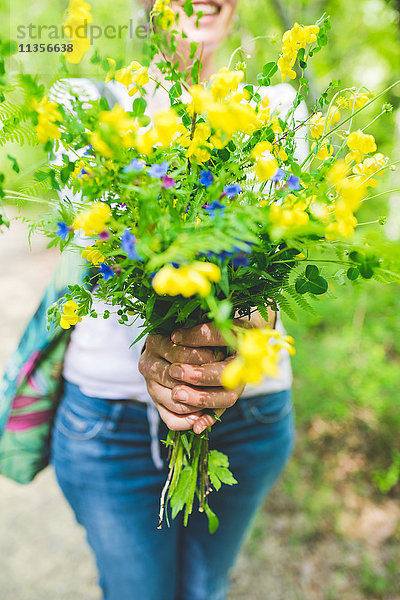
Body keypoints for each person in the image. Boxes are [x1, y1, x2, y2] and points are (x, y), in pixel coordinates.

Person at [48, 1, 307, 599]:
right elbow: (100, 258)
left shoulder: (280, 110)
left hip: (252, 415)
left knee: (204, 590)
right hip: (109, 422)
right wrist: (164, 340)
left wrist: (227, 336)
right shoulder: (85, 104)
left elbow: (277, 266)